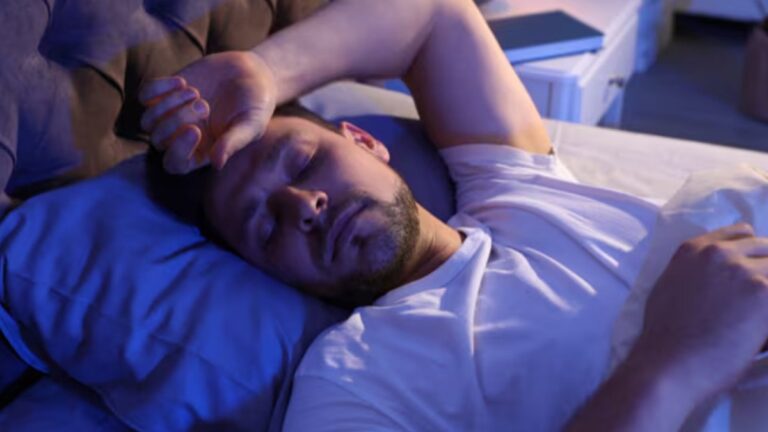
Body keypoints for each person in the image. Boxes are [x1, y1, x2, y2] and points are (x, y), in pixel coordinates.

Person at [138, 0, 768, 430]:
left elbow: (432, 14)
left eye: (304, 164)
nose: (304, 206)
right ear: (268, 273)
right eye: (267, 226)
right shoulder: (353, 381)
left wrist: (265, 71)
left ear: (365, 141)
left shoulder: (515, 189)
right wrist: (676, 361)